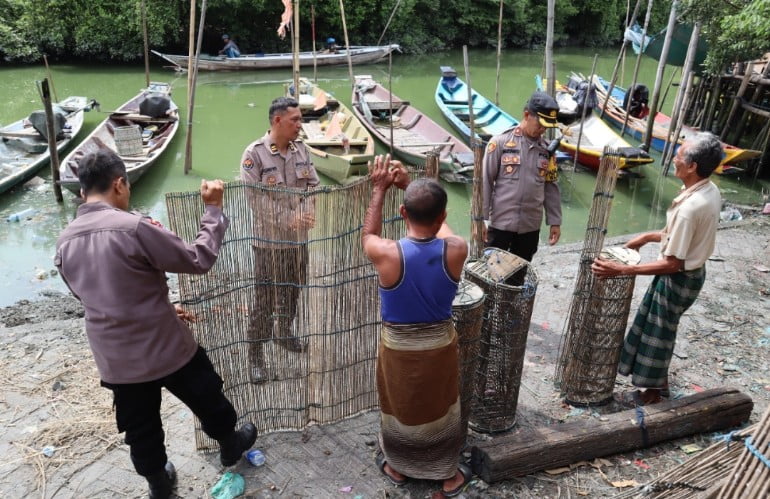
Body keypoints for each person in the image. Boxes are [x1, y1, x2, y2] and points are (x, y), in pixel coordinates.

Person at [54, 150, 257, 499]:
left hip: (118, 361)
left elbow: (88, 298)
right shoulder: (133, 226)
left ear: (83, 191)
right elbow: (197, 259)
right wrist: (213, 210)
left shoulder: (63, 243)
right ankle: (229, 445)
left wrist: (157, 304)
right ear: (119, 184)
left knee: (140, 429)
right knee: (208, 396)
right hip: (166, 347)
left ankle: (159, 485)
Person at [362, 155, 472, 497]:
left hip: (399, 347)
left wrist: (380, 189)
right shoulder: (456, 250)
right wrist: (412, 185)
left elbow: (368, 233)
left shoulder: (387, 254)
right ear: (442, 217)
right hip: (439, 344)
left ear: (403, 213)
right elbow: (441, 226)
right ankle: (447, 475)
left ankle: (398, 466)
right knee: (441, 407)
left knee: (399, 406)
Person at [592, 132, 723, 406]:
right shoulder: (708, 190)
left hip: (679, 277)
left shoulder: (692, 207)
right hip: (691, 273)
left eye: (680, 155)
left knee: (658, 333)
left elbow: (672, 263)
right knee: (654, 326)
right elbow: (678, 233)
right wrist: (646, 237)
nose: (674, 158)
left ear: (692, 167)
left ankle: (652, 395)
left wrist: (619, 269)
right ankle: (657, 383)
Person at [240, 97, 319, 384]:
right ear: (277, 121)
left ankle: (284, 333)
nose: (300, 125)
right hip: (269, 245)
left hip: (298, 241)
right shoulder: (255, 154)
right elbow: (255, 199)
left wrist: (306, 211)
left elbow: (313, 185)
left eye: (300, 119)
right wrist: (288, 219)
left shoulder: (301, 150)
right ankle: (256, 357)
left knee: (294, 288)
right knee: (264, 302)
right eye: (295, 119)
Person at [482, 91, 562, 282]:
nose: (543, 129)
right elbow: (485, 180)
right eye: (540, 123)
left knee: (518, 277)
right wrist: (480, 219)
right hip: (501, 223)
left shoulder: (547, 151)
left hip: (530, 226)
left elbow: (551, 186)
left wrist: (555, 221)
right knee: (491, 276)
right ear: (527, 115)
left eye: (546, 126)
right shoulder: (500, 142)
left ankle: (510, 311)